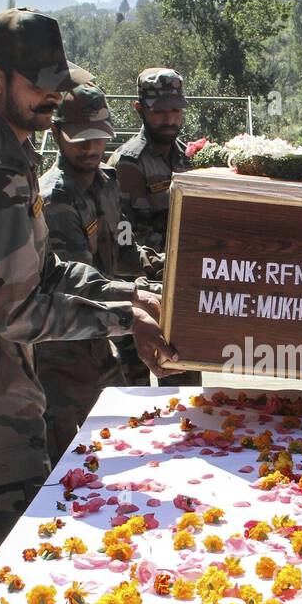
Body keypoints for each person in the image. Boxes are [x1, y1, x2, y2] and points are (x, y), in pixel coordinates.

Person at [0, 8, 175, 576]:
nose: (53, 98)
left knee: (38, 564)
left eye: (58, 84)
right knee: (20, 577)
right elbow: (19, 312)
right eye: (40, 86)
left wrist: (128, 297)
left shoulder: (10, 150)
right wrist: (124, 320)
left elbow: (44, 270)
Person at [35, 82, 161, 461]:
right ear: (57, 133)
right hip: (61, 350)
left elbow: (123, 252)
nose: (91, 149)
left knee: (121, 441)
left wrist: (168, 272)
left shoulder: (106, 185)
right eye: (80, 140)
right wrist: (142, 296)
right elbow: (80, 282)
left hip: (101, 340)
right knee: (64, 464)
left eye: (98, 139)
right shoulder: (54, 199)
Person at [109, 67, 199, 387]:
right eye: (159, 111)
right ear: (140, 109)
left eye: (175, 110)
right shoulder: (127, 163)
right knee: (134, 388)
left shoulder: (186, 158)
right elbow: (124, 240)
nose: (169, 118)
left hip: (176, 289)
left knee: (184, 383)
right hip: (136, 291)